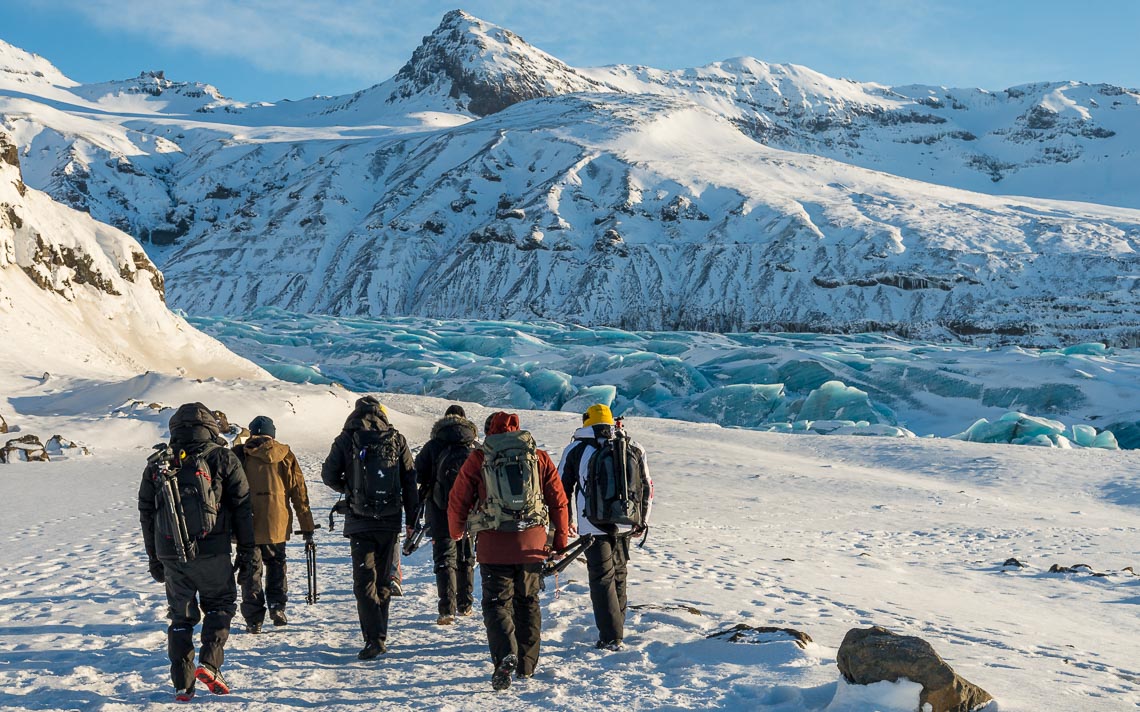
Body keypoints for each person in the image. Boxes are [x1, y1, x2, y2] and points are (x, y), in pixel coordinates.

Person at [138, 403, 255, 701]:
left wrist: (155, 557)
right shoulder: (223, 457)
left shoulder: (159, 463)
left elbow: (147, 513)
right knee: (220, 606)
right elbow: (242, 508)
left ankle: (182, 682)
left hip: (171, 552)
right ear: (210, 426)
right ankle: (210, 663)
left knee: (181, 618)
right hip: (212, 549)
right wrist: (247, 550)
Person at [448, 411, 569, 691]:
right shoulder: (538, 457)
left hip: (494, 544)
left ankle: (506, 655)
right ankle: (527, 666)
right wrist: (559, 541)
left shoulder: (479, 458)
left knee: (496, 603)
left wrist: (456, 532)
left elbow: (458, 499)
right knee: (528, 601)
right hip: (532, 544)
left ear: (489, 431)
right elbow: (558, 500)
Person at [320, 396, 417, 659]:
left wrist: (350, 489)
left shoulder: (347, 438)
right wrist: (411, 521)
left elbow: (328, 475)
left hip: (359, 520)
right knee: (384, 579)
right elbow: (410, 480)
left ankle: (373, 638)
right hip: (389, 519)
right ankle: (379, 635)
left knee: (364, 581)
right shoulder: (396, 438)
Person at [558, 404, 653, 652]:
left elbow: (560, 490)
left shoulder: (576, 449)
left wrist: (565, 520)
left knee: (602, 579)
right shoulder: (632, 446)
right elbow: (646, 486)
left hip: (592, 524)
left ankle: (611, 637)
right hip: (626, 521)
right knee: (619, 573)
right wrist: (642, 519)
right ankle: (616, 629)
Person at [232, 415, 316, 633]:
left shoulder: (240, 454)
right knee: (276, 564)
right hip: (277, 523)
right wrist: (306, 525)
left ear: (252, 433)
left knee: (251, 570)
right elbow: (299, 493)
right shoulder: (285, 455)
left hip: (246, 523)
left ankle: (253, 619)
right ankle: (277, 607)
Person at [414, 404, 478, 624]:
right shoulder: (474, 446)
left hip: (440, 510)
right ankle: (466, 603)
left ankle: (446, 609)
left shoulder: (433, 445)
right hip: (469, 510)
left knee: (444, 559)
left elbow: (418, 475)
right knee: (466, 557)